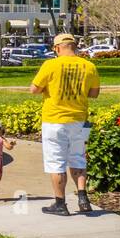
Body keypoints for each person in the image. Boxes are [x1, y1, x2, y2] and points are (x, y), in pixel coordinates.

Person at [29, 33, 100, 215]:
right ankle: (83, 197)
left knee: (56, 162)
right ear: (74, 46)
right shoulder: (89, 66)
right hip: (81, 120)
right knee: (78, 157)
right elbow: (93, 93)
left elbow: (34, 90)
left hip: (55, 120)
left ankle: (60, 204)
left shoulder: (50, 65)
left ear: (57, 48)